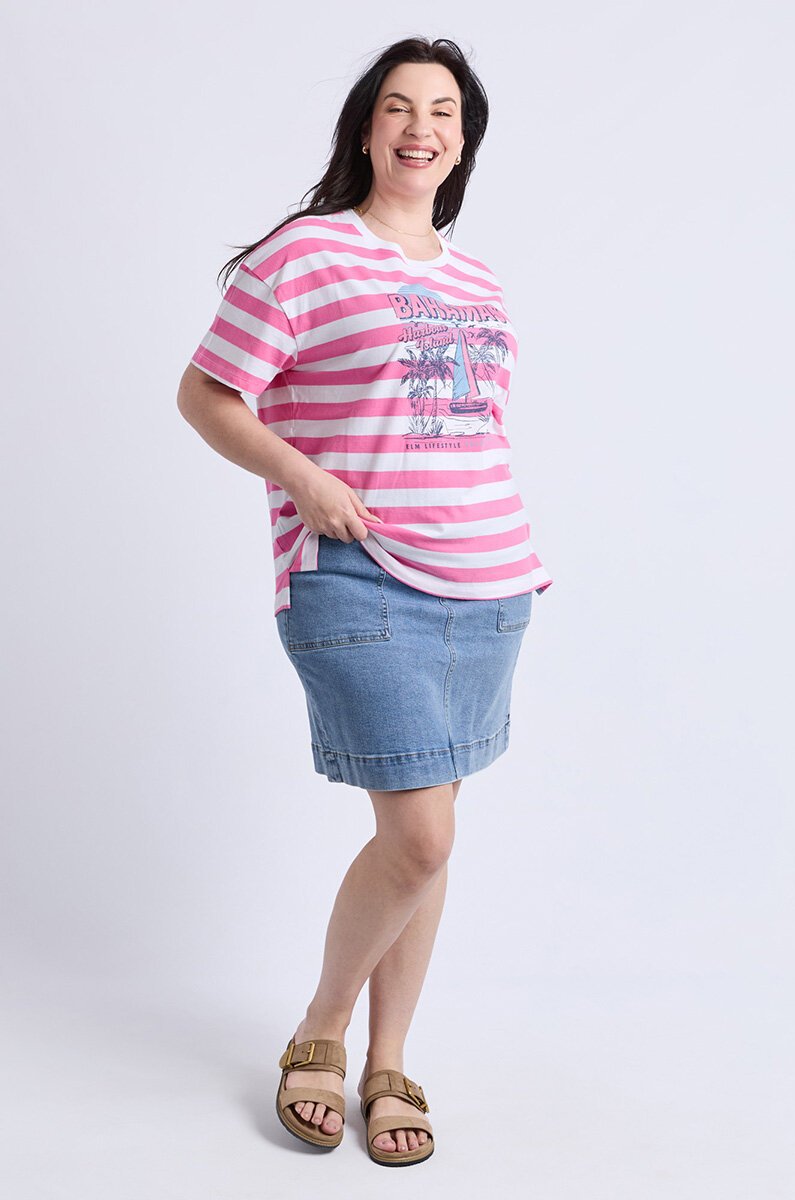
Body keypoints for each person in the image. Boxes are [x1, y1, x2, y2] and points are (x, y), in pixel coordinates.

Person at [177, 35, 552, 1167]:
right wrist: (305, 480)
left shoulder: (476, 279)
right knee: (422, 839)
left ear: (463, 142)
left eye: (441, 111)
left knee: (421, 843)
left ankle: (390, 1062)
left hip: (489, 585)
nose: (418, 127)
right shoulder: (305, 254)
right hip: (356, 574)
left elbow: (472, 432)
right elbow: (206, 394)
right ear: (365, 127)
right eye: (397, 106)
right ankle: (322, 1030)